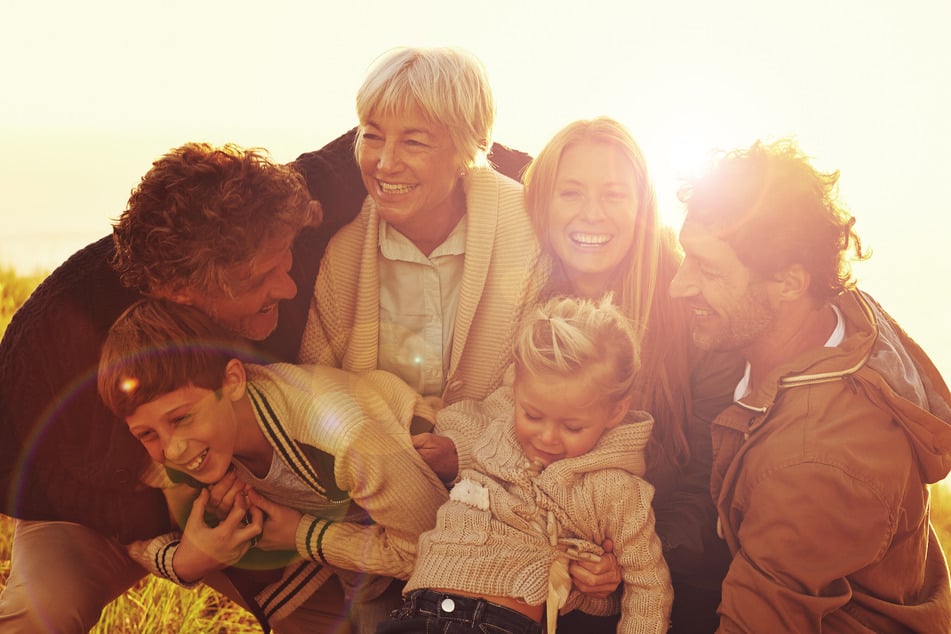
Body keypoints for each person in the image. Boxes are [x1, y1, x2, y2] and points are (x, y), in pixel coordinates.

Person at [0, 138, 369, 633]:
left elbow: (376, 142)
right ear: (183, 294)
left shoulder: (267, 222)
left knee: (344, 625)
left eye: (285, 264)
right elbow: (13, 473)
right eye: (264, 278)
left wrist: (512, 178)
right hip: (96, 511)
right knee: (36, 619)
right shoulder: (48, 339)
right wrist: (177, 545)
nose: (288, 287)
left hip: (250, 496)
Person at [669, 138, 951, 631]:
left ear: (789, 283)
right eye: (686, 257)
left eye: (707, 268)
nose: (679, 285)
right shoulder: (840, 317)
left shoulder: (813, 463)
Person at [506, 117, 739, 632]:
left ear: (643, 208)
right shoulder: (526, 298)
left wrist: (627, 557)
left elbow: (708, 477)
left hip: (658, 571)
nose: (592, 213)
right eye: (570, 192)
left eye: (614, 194)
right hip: (534, 562)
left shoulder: (691, 310)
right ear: (543, 203)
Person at [97, 298, 448, 634]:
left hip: (447, 541)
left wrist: (305, 535)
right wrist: (183, 561)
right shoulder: (194, 440)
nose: (172, 449)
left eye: (183, 418)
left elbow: (433, 550)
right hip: (361, 571)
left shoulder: (345, 437)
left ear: (232, 382)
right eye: (146, 434)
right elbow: (131, 531)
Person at [382, 295, 672, 634]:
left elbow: (649, 585)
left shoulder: (616, 489)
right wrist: (456, 451)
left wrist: (598, 592)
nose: (547, 438)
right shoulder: (498, 424)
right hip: (418, 608)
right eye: (532, 415)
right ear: (516, 388)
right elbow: (461, 421)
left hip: (500, 623)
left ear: (615, 412)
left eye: (572, 427)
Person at [298, 46, 540, 406]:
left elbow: (547, 388)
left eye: (413, 142)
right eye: (373, 136)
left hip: (498, 459)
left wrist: (460, 441)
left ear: (472, 146)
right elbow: (314, 389)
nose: (385, 163)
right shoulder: (343, 251)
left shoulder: (527, 234)